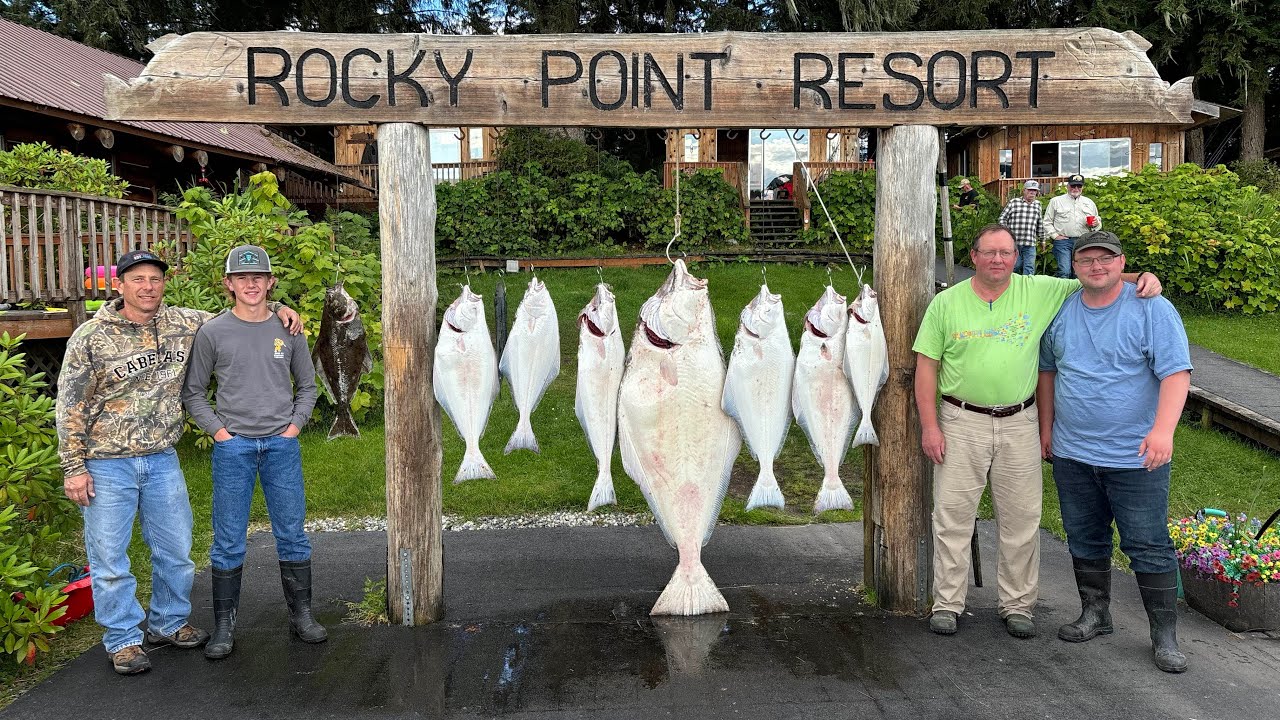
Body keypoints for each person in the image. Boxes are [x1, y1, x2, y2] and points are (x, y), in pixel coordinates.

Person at [57, 249, 301, 675]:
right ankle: (124, 640)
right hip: (106, 462)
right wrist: (73, 467)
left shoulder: (184, 322)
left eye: (155, 279)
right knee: (110, 557)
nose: (147, 287)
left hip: (162, 458)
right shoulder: (90, 337)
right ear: (119, 285)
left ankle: (169, 622)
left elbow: (245, 310)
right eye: (137, 279)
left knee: (176, 551)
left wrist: (280, 307)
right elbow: (70, 405)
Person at [912, 224, 1161, 639]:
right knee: (952, 517)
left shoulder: (1039, 289)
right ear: (972, 256)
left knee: (1022, 518)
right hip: (961, 419)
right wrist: (930, 426)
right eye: (989, 252)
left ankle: (1017, 605)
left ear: (1017, 256)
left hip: (1019, 421)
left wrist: (1143, 277)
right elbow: (926, 367)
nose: (998, 260)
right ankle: (948, 603)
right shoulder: (945, 303)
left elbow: (1093, 275)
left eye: (1006, 252)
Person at [1036, 230, 1191, 673]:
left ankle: (1164, 636)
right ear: (1074, 265)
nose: (1096, 266)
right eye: (1087, 260)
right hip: (1073, 452)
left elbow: (1176, 373)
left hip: (1136, 457)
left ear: (1122, 262)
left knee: (1147, 544)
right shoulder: (1061, 309)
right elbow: (1047, 372)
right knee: (1085, 537)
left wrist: (1164, 431)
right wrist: (1047, 429)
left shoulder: (1152, 308)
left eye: (1106, 259)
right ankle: (1096, 614)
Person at [182, 245, 324, 660]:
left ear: (270, 282)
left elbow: (308, 385)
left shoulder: (289, 330)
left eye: (258, 277)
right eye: (242, 278)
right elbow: (193, 392)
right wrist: (219, 432)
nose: (251, 284)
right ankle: (225, 625)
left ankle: (302, 615)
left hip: (281, 445)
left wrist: (294, 426)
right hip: (234, 447)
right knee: (227, 539)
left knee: (292, 533)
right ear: (229, 284)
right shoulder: (212, 332)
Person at [1042, 174, 1102, 279]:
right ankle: (1063, 295)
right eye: (1073, 186)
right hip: (1063, 242)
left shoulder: (1089, 202)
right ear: (1068, 186)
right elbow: (1047, 222)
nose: (1076, 189)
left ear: (1082, 187)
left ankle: (1079, 294)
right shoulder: (1056, 201)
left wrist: (1096, 225)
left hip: (1083, 241)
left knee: (1080, 272)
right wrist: (1055, 236)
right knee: (1064, 271)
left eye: (1079, 186)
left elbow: (1097, 223)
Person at [997, 180, 1045, 275]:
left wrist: (1042, 240)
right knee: (1015, 266)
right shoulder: (1014, 202)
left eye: (1034, 190)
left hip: (1030, 242)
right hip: (1014, 242)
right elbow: (1002, 218)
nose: (1032, 192)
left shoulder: (1038, 205)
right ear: (1024, 190)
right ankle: (1009, 286)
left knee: (1029, 268)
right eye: (1030, 190)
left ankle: (1027, 288)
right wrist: (1007, 234)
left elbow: (1039, 223)